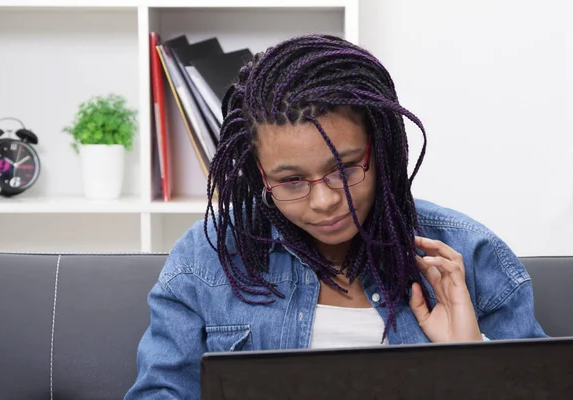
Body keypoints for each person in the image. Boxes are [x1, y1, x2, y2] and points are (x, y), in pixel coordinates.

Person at [124, 34, 546, 399]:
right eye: (291, 181)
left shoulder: (468, 255)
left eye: (344, 170)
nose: (324, 201)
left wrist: (471, 360)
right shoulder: (205, 260)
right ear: (260, 175)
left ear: (379, 149)